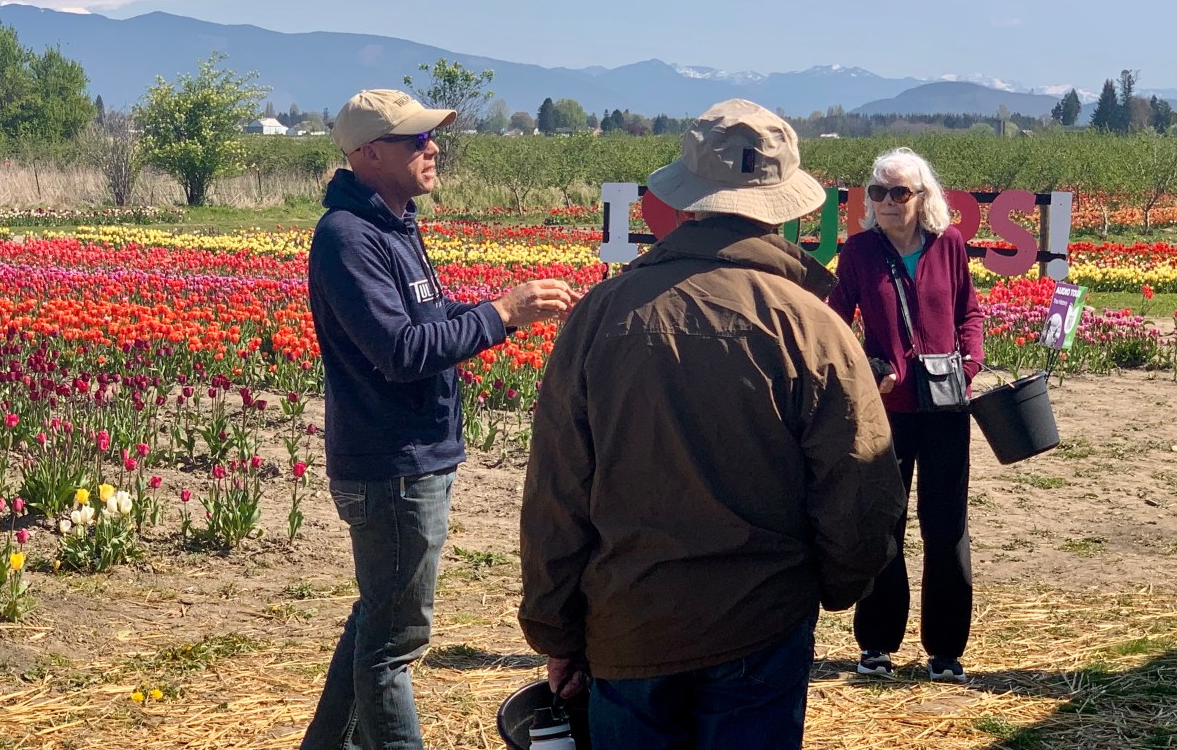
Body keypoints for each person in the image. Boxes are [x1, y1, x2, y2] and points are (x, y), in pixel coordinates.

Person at [518, 99, 907, 750]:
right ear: (786, 205)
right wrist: (836, 587)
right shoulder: (812, 328)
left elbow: (556, 492)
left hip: (627, 626)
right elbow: (861, 490)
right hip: (762, 626)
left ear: (686, 199)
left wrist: (555, 630)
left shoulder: (600, 316)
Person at [301, 89, 579, 750]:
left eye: (432, 137)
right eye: (415, 140)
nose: (432, 148)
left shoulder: (392, 223)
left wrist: (497, 307)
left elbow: (427, 318)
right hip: (391, 466)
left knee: (379, 620)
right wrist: (501, 314)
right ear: (369, 153)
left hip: (411, 457)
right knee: (393, 645)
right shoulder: (347, 237)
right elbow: (400, 352)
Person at [827, 147, 986, 684]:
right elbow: (834, 325)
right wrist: (872, 366)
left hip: (944, 407)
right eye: (878, 192)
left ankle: (945, 649)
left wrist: (970, 362)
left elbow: (969, 310)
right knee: (883, 524)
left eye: (899, 192)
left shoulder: (950, 246)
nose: (888, 202)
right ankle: (877, 644)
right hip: (884, 411)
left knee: (946, 527)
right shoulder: (859, 252)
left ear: (923, 198)